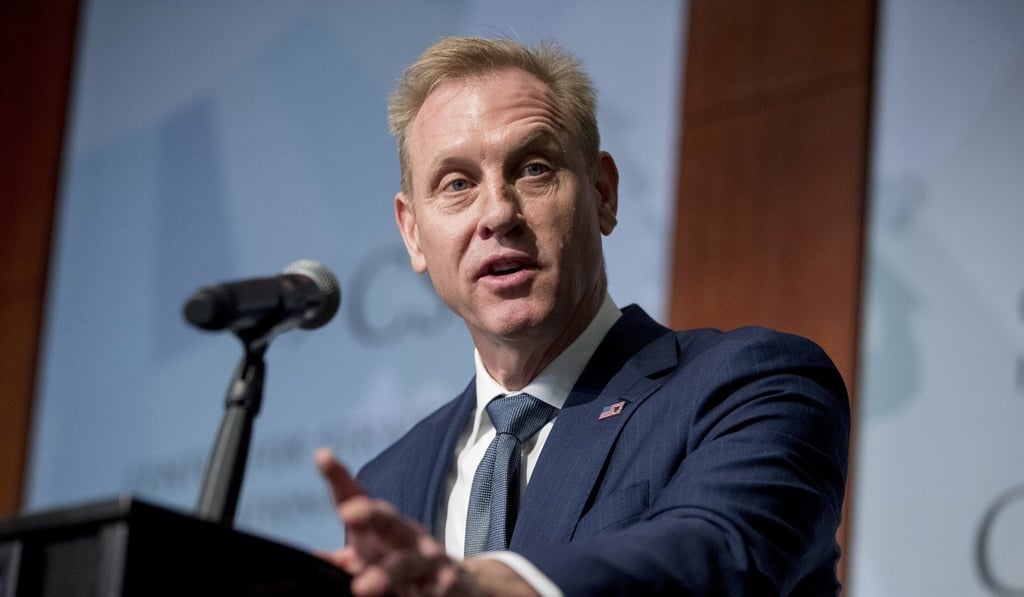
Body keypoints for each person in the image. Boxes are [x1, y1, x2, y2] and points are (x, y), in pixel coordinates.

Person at [315, 36, 850, 596]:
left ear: (603, 193)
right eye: (457, 184)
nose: (498, 212)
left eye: (534, 168)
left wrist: (485, 586)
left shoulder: (754, 383)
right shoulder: (389, 482)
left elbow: (719, 550)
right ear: (412, 233)